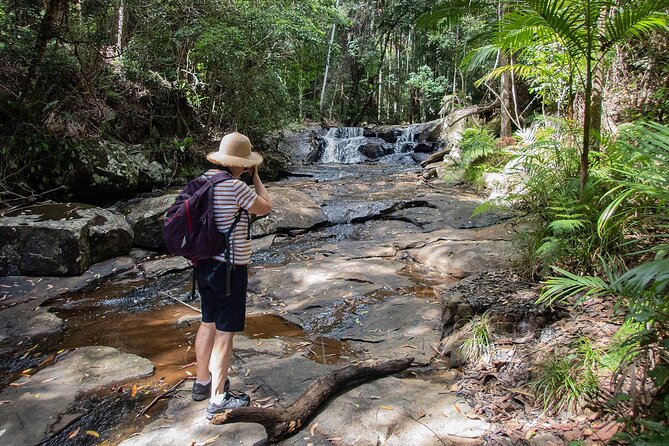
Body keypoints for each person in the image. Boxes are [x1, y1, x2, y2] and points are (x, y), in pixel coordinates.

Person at [190, 132, 272, 420]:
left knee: (207, 322)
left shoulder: (202, 182)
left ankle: (202, 383)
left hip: (203, 265)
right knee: (225, 333)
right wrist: (257, 177)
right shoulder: (237, 188)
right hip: (230, 269)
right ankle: (218, 399)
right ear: (242, 163)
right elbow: (266, 206)